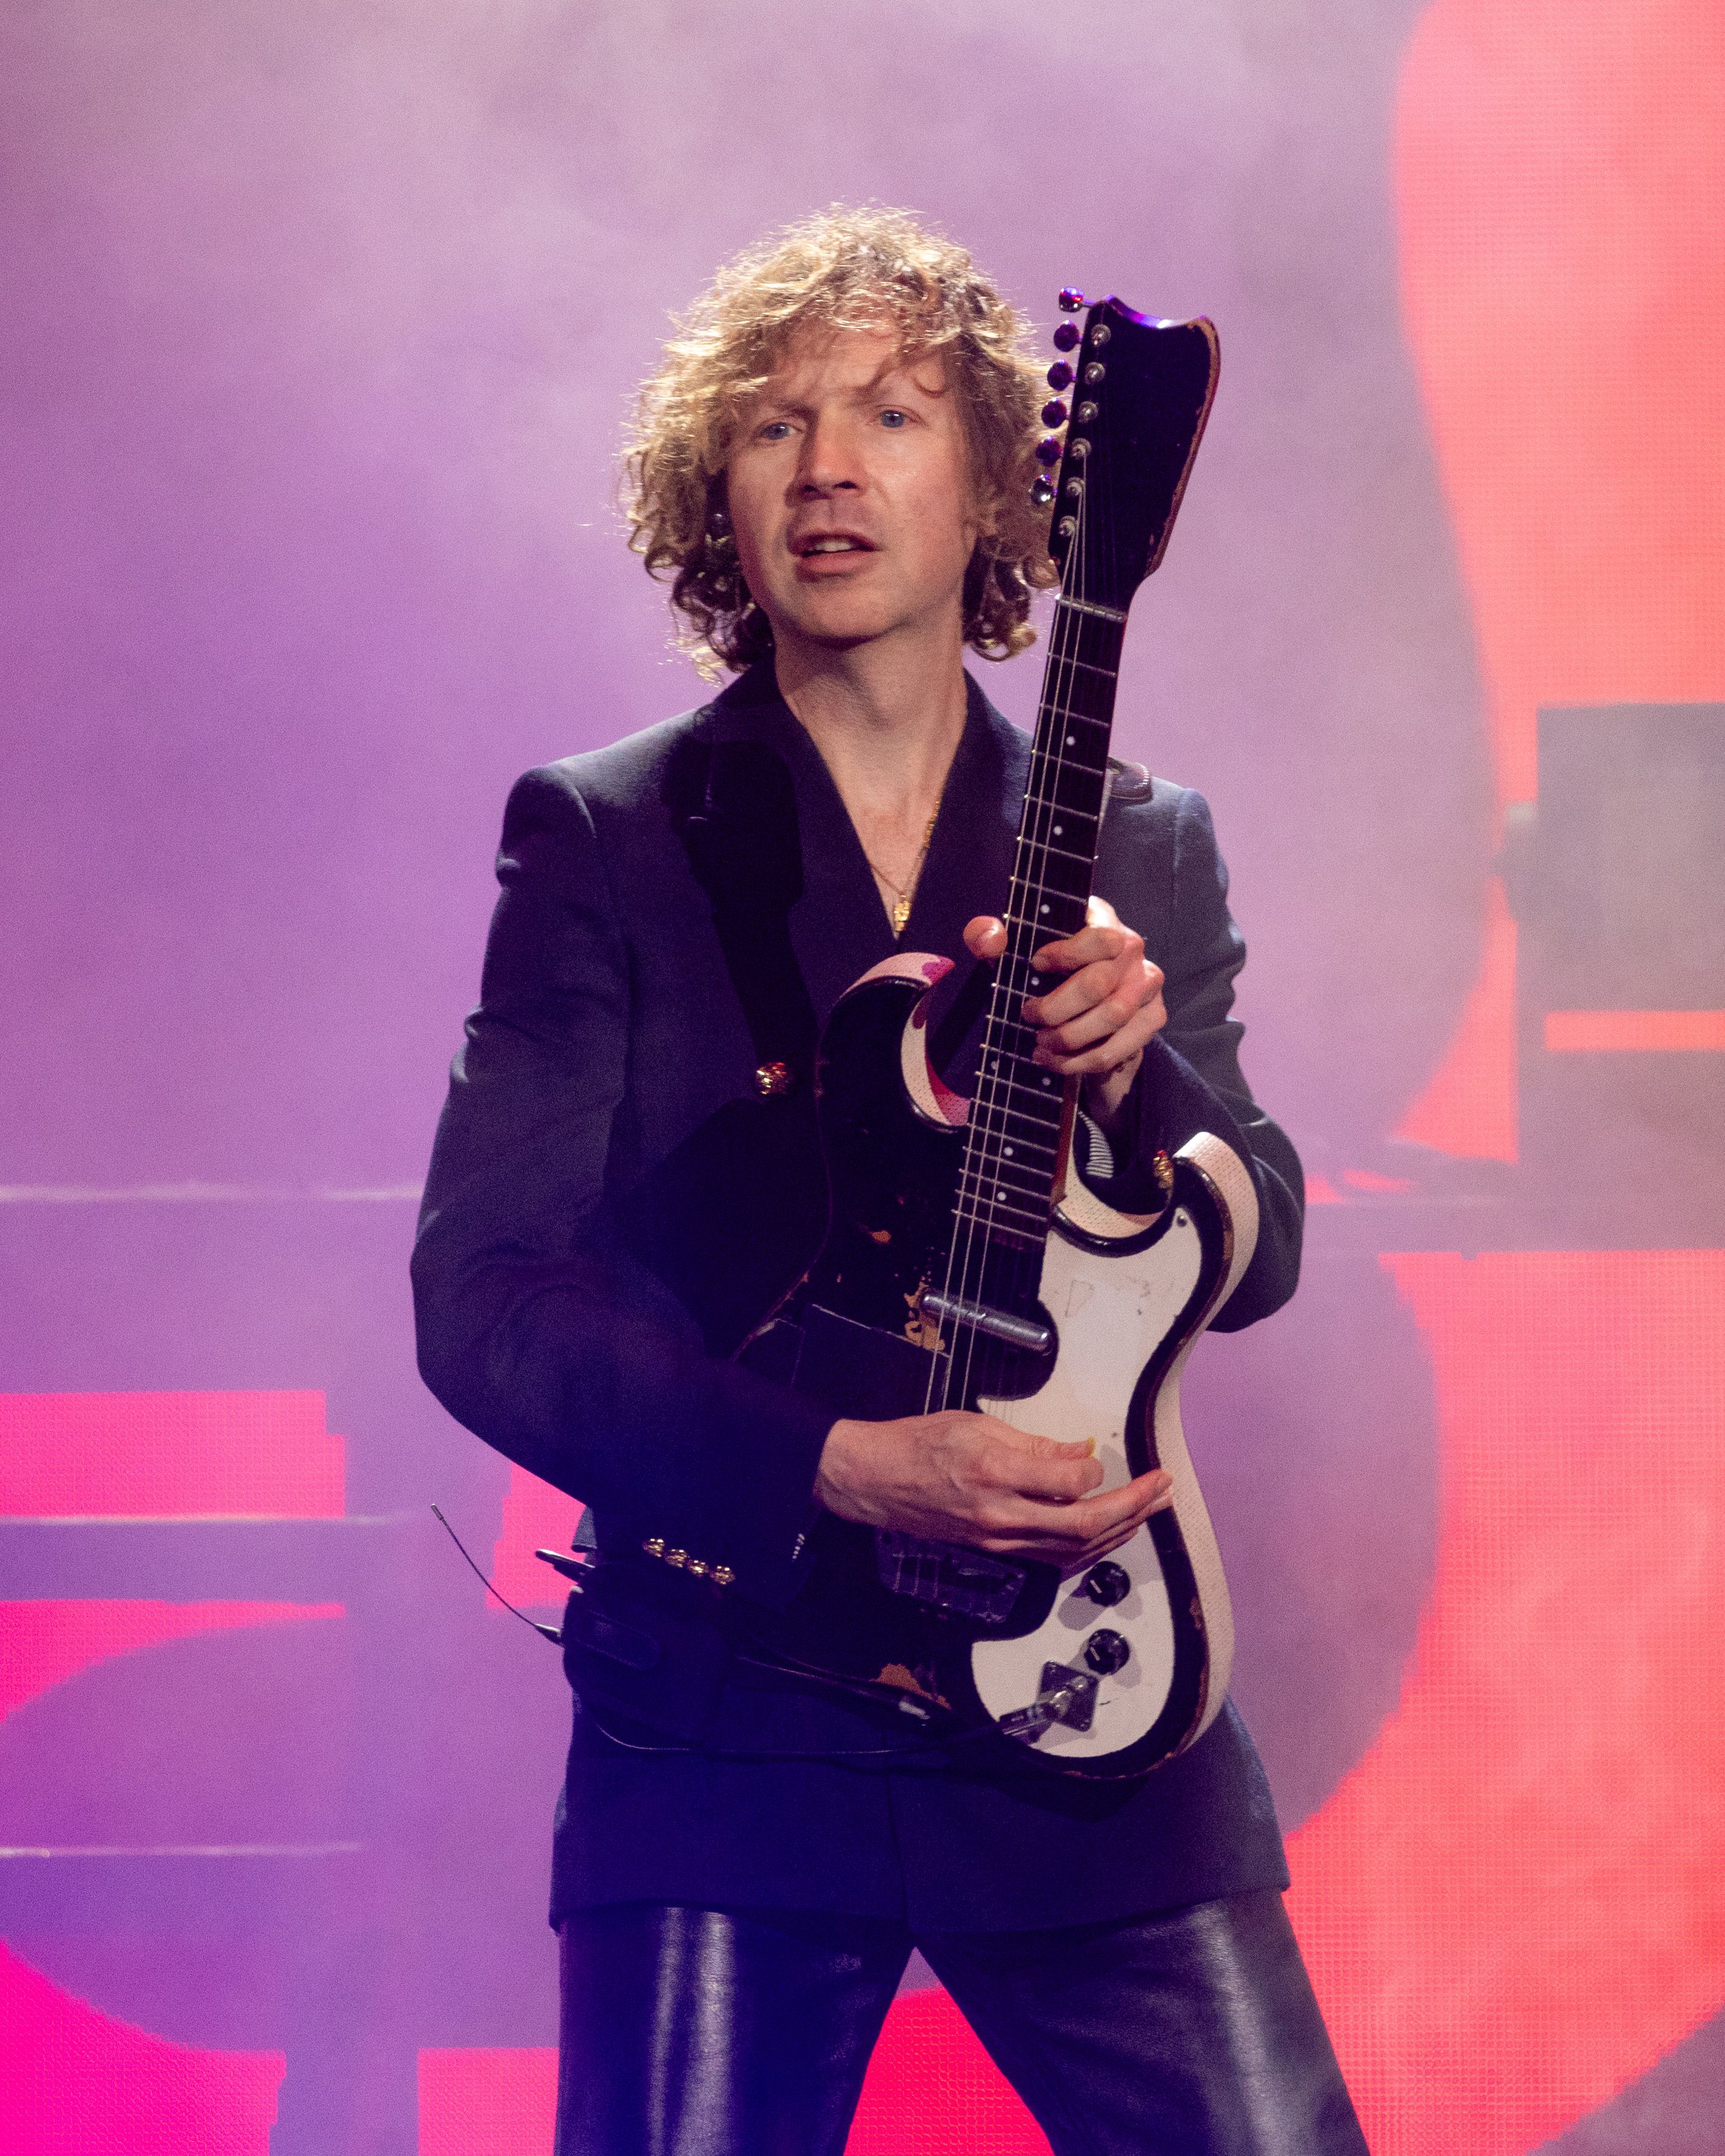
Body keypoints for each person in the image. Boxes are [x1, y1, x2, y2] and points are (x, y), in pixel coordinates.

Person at [412, 206, 1366, 2155]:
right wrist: (834, 1470)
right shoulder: (604, 836)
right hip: (732, 1716)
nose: (829, 466)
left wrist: (1141, 1067)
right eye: (773, 426)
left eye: (895, 416)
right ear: (718, 493)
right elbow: (485, 1300)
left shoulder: (1137, 839)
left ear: (1005, 486)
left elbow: (1251, 1241)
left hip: (1091, 1716)